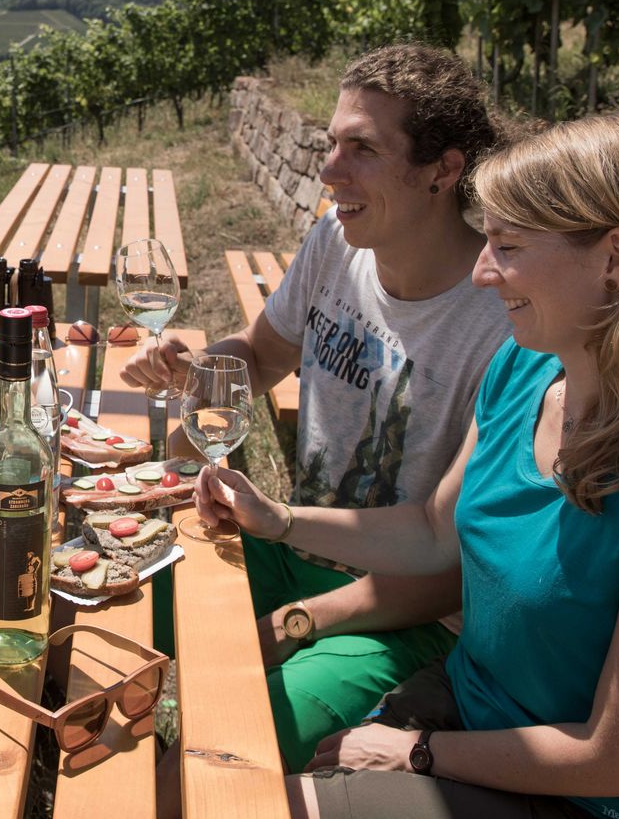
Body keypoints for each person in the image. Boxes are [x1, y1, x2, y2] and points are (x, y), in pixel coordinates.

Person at [198, 110, 619, 818]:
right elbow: (432, 532)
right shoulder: (525, 372)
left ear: (616, 258)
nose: (480, 271)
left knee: (239, 803)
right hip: (476, 716)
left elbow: (618, 758)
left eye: (507, 245)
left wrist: (416, 753)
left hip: (604, 803)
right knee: (219, 784)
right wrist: (279, 519)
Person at [123, 43, 512, 769]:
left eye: (361, 148)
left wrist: (301, 622)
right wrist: (198, 372)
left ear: (444, 169)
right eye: (332, 142)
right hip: (291, 551)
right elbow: (262, 356)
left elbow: (453, 562)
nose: (330, 170)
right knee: (121, 607)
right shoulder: (339, 241)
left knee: (232, 747)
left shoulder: (502, 324)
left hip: (407, 614)